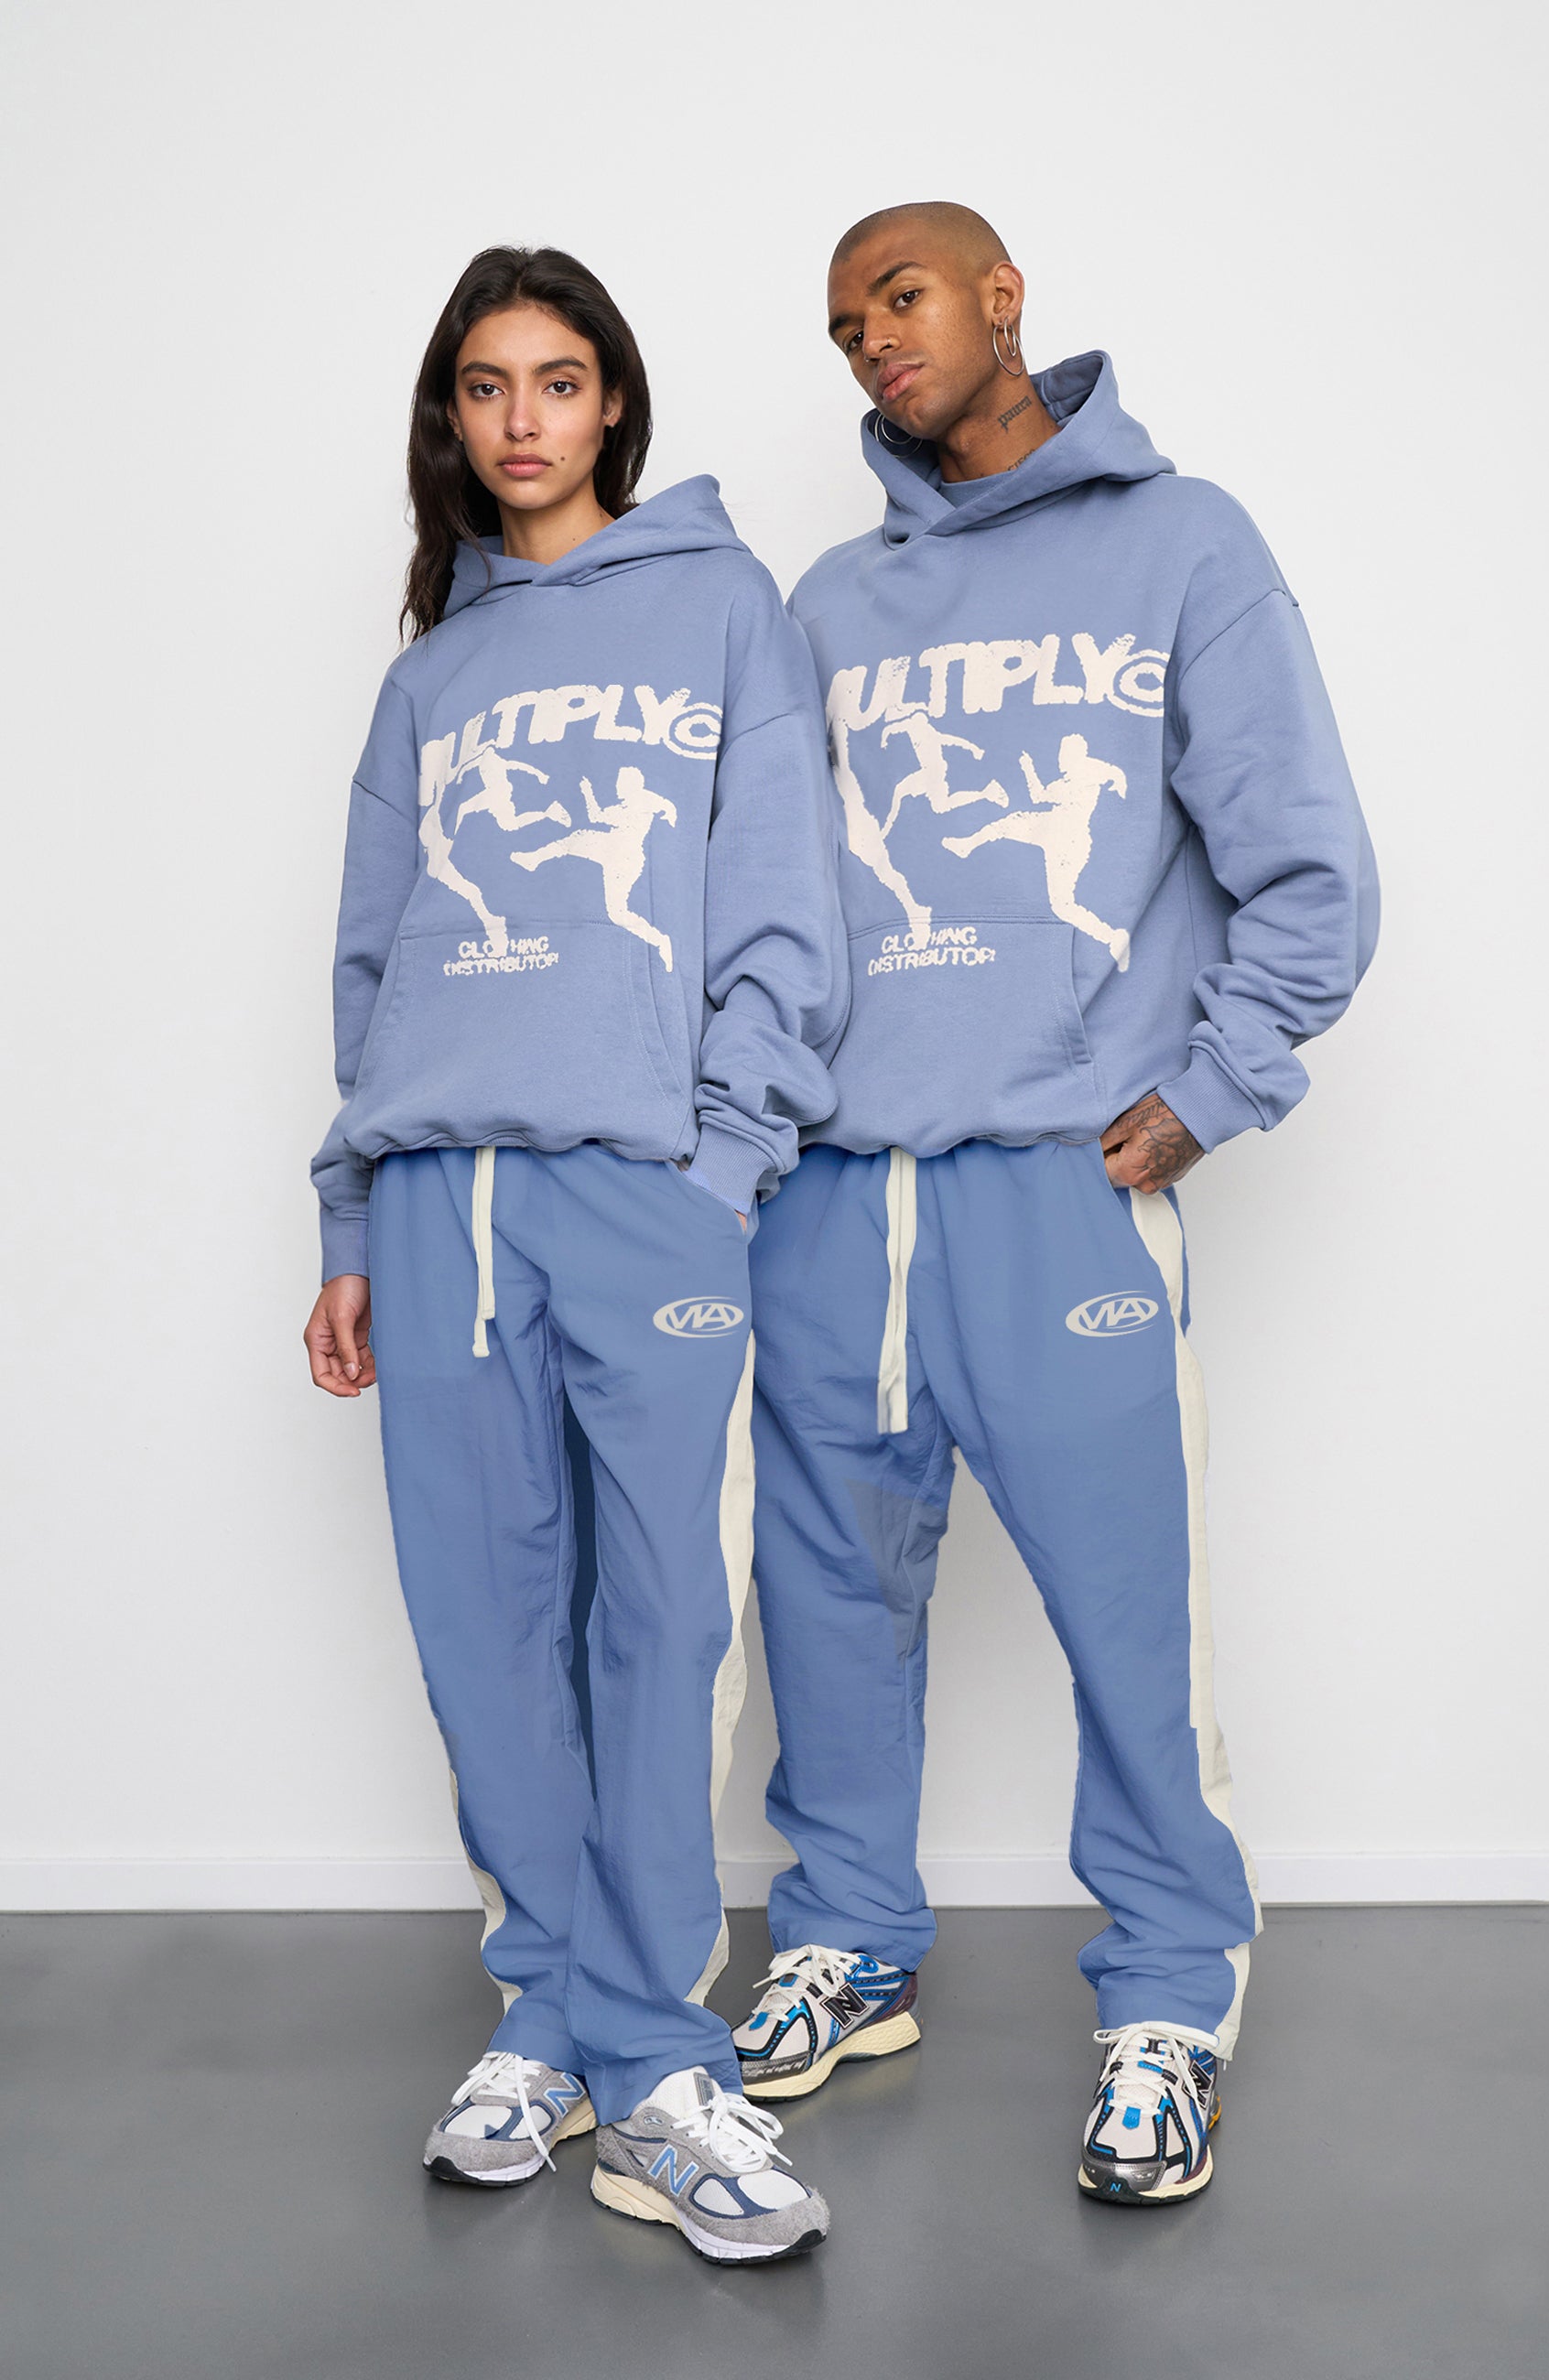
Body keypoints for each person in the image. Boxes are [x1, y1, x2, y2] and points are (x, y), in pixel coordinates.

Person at [731, 203, 1378, 2207]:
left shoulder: (1187, 546)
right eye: (845, 324)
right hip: (837, 1192)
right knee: (825, 1603)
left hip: (1060, 1188)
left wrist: (1205, 1094)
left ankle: (1170, 1997)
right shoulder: (825, 603)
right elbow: (767, 906)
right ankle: (848, 1936)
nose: (873, 342)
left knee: (1128, 1617)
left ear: (1003, 299)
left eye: (902, 298)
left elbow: (1309, 872)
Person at [304, 245, 846, 2265]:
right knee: (485, 1623)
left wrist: (724, 1163)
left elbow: (781, 900)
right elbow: (373, 963)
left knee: (663, 1619)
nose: (521, 418)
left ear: (613, 398)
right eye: (484, 385)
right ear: (451, 419)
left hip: (648, 1188)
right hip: (437, 1193)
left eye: (556, 379)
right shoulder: (428, 674)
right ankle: (545, 2010)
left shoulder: (723, 606)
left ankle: (657, 2053)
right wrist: (351, 1210)